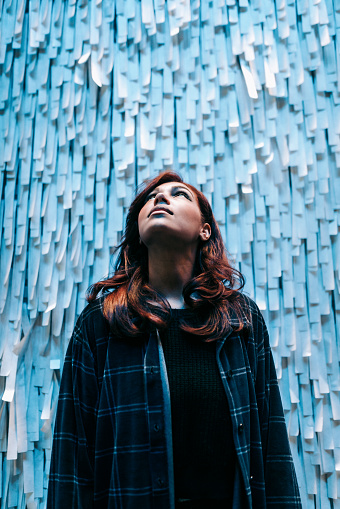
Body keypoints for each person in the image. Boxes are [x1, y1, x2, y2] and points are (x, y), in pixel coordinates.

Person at [47, 171, 302, 509]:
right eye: (150, 198)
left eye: (179, 194)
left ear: (204, 229)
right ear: (138, 232)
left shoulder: (240, 317)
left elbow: (272, 445)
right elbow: (73, 452)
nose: (160, 198)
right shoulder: (101, 321)